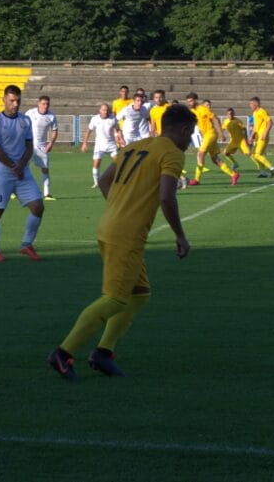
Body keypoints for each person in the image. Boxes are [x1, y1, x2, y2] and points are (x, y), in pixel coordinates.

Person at [47, 104, 196, 380]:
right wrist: (180, 235)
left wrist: (119, 207)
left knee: (139, 294)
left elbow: (105, 180)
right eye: (191, 134)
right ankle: (63, 353)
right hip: (126, 235)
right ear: (185, 129)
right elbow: (166, 196)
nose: (190, 142)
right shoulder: (172, 154)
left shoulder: (136, 146)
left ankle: (103, 353)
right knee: (115, 298)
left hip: (109, 226)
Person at [0, 85, 45, 263]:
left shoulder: (25, 120)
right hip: (3, 174)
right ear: (3, 99)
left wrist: (21, 165)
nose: (15, 104)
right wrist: (13, 166)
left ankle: (27, 245)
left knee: (38, 206)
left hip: (22, 172)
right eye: (11, 100)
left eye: (18, 101)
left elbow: (29, 146)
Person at [185, 92, 239, 186]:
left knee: (200, 153)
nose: (189, 103)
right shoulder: (192, 111)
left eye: (190, 101)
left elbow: (215, 119)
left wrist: (221, 133)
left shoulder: (204, 109)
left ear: (195, 100)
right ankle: (233, 174)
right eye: (188, 102)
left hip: (211, 133)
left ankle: (197, 179)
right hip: (206, 135)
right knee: (215, 159)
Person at [25, 95, 59, 200]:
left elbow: (55, 131)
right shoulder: (30, 113)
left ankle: (47, 194)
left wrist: (51, 143)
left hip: (42, 147)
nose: (45, 106)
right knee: (22, 168)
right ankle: (15, 191)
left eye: (47, 104)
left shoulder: (51, 116)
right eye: (43, 103)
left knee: (45, 169)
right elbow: (22, 125)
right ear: (39, 103)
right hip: (29, 145)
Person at [81, 103, 119, 188]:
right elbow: (89, 130)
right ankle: (96, 182)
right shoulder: (95, 119)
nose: (105, 112)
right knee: (96, 163)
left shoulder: (113, 118)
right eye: (103, 110)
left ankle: (118, 180)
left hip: (111, 145)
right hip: (99, 145)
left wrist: (119, 137)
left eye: (106, 110)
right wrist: (84, 143)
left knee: (118, 162)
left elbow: (117, 129)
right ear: (100, 110)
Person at [249, 97, 274, 178]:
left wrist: (265, 132)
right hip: (258, 137)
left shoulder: (262, 111)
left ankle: (272, 168)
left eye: (251, 103)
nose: (250, 105)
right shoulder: (255, 113)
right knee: (254, 155)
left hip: (262, 137)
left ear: (256, 104)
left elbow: (270, 122)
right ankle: (263, 173)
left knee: (257, 155)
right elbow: (256, 126)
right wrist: (251, 136)